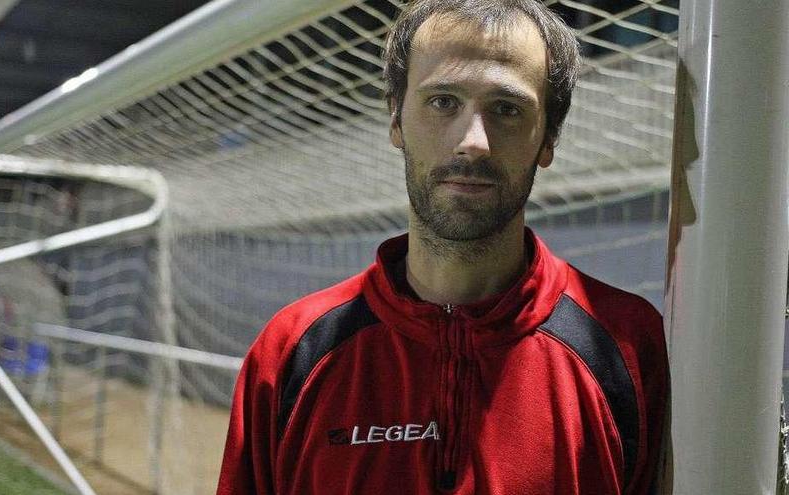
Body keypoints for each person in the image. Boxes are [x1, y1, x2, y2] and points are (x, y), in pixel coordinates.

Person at [216, 0, 668, 493]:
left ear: (548, 139)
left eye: (506, 109)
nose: (473, 141)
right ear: (396, 120)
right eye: (443, 102)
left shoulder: (627, 344)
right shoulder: (292, 350)